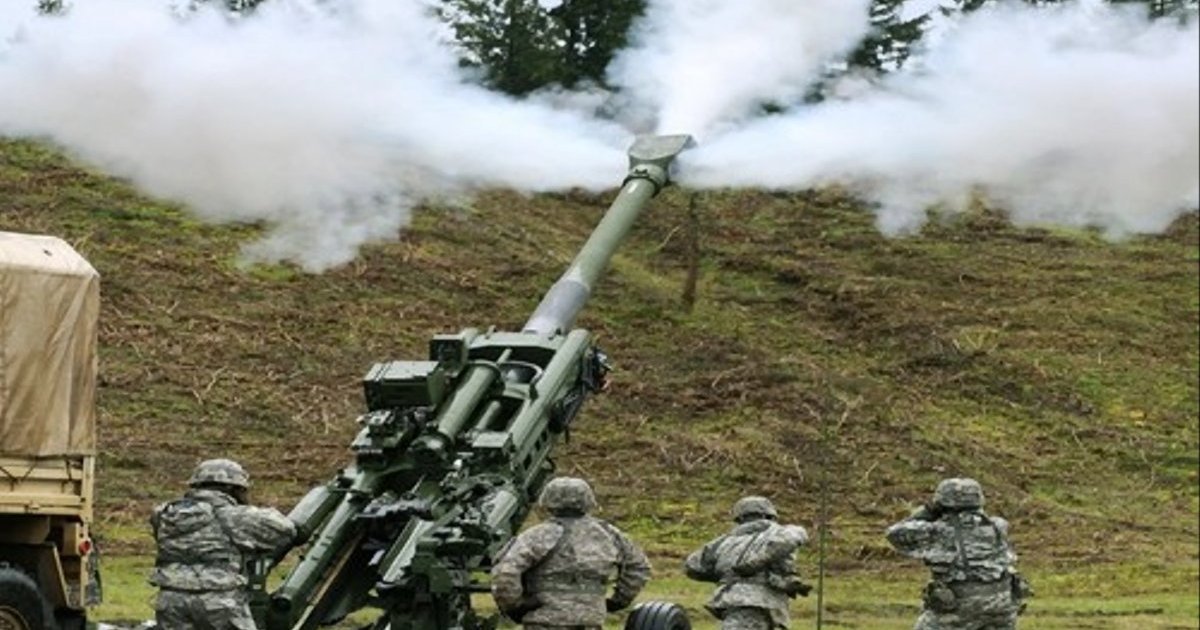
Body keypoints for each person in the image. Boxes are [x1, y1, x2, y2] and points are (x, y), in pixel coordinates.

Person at [149, 458, 300, 630]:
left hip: (171, 599)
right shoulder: (233, 516)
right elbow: (286, 530)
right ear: (232, 488)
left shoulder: (164, 514)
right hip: (218, 600)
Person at [490, 476, 651, 629]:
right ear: (588, 500)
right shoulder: (609, 534)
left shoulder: (536, 536)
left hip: (544, 621)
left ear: (548, 500)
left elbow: (505, 573)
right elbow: (639, 567)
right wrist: (618, 601)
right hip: (590, 620)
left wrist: (515, 607)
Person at [885, 478, 1031, 630]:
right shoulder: (998, 525)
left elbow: (894, 534)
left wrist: (928, 511)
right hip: (1002, 603)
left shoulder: (939, 530)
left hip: (960, 605)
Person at [684, 496, 810, 630]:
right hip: (763, 603)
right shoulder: (780, 532)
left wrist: (726, 576)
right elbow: (793, 537)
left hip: (735, 602)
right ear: (770, 515)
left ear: (739, 518)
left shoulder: (723, 541)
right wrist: (759, 562)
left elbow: (693, 566)